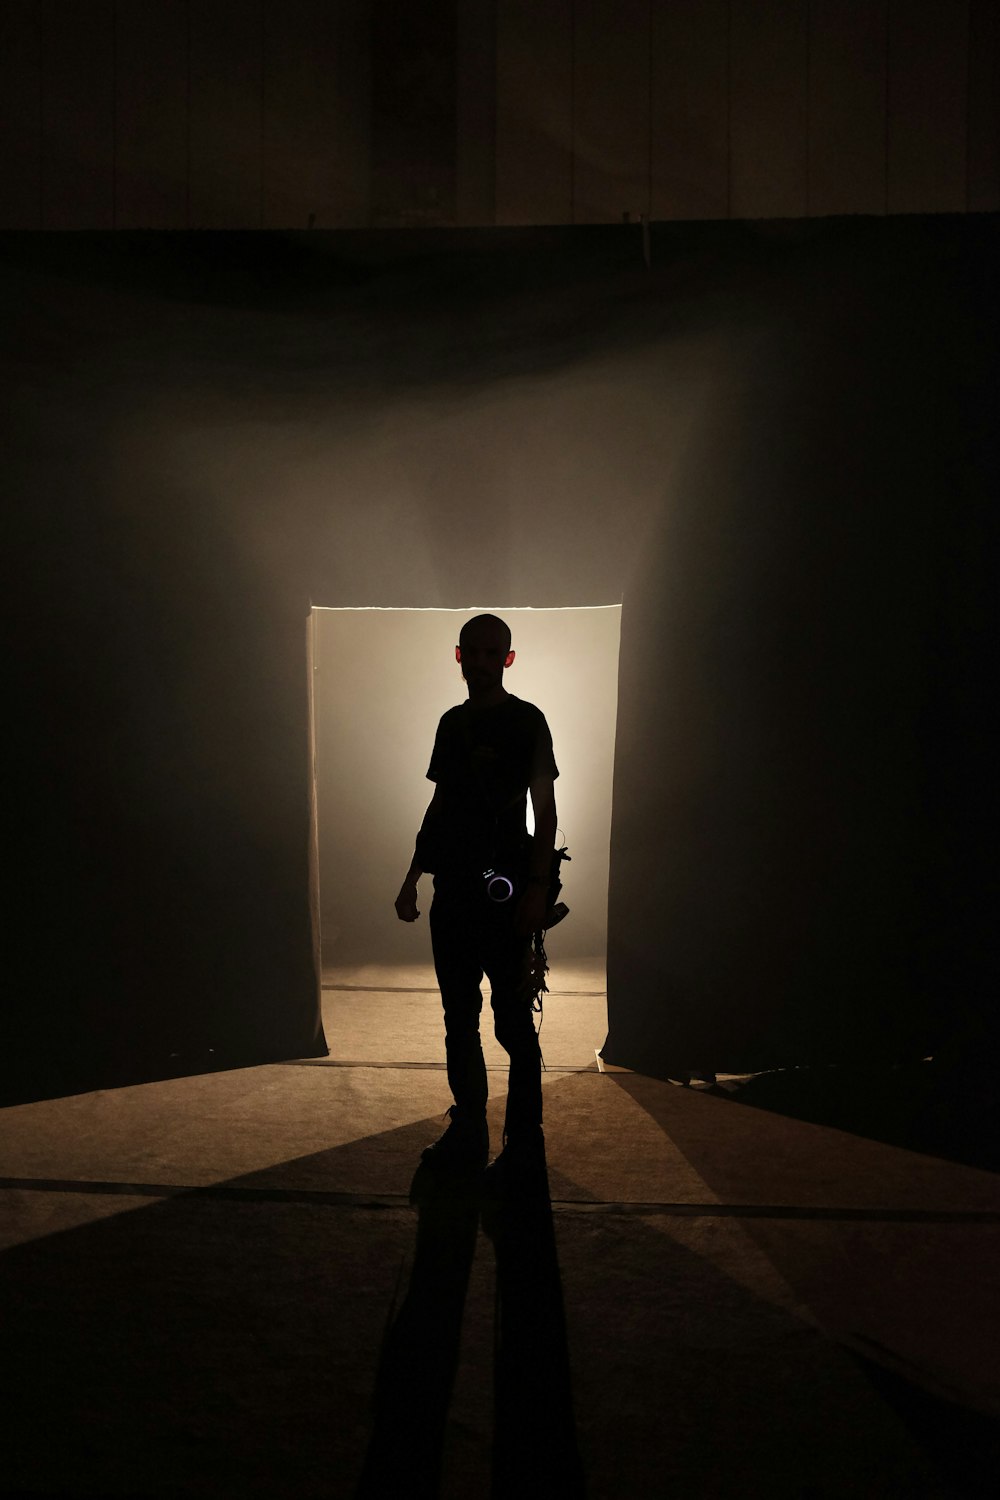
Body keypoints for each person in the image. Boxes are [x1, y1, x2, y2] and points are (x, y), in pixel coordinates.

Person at [394, 614, 559, 1181]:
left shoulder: (528, 721)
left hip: (506, 895)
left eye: (494, 653)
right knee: (458, 1018)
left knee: (513, 1024)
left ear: (508, 658)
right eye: (474, 652)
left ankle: (523, 1145)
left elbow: (547, 811)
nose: (483, 662)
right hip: (455, 894)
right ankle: (468, 1131)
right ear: (459, 655)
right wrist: (413, 875)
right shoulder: (451, 724)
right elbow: (441, 804)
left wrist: (536, 891)